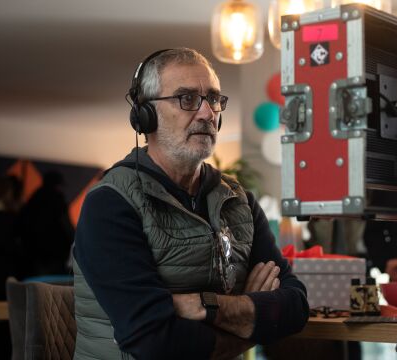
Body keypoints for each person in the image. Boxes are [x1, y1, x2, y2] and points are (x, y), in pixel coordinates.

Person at [73, 48, 309, 359]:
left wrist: (206, 306)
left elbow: (295, 305)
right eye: (187, 99)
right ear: (145, 114)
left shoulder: (239, 201)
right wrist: (249, 319)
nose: (208, 113)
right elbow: (154, 342)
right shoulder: (110, 204)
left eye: (213, 99)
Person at [19, 171, 74, 277]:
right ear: (57, 185)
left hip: (33, 252)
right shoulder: (58, 199)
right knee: (53, 287)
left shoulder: (33, 198)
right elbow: (66, 225)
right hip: (55, 252)